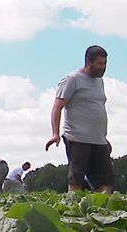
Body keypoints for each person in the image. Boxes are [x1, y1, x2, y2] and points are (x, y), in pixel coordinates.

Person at [45, 45, 114, 193]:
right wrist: (55, 133)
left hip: (99, 140)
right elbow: (57, 107)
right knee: (76, 178)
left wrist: (103, 137)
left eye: (105, 64)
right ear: (88, 61)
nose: (103, 67)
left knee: (106, 180)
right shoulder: (72, 79)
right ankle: (73, 213)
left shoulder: (99, 81)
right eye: (100, 64)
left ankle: (102, 212)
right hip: (77, 138)